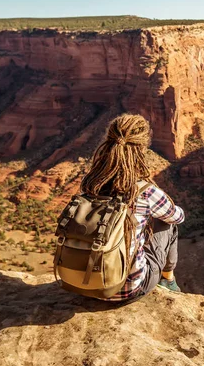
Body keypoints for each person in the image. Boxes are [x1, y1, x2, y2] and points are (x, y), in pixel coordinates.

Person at [79, 113, 184, 302]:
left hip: (82, 282)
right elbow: (177, 217)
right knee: (167, 223)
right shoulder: (144, 191)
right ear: (142, 148)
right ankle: (168, 280)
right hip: (126, 290)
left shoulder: (91, 182)